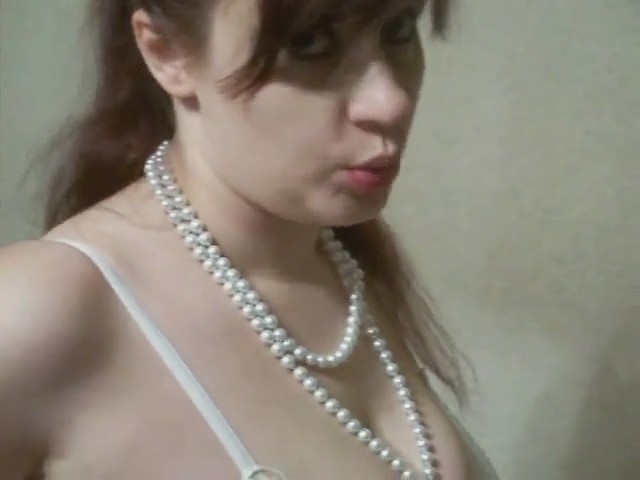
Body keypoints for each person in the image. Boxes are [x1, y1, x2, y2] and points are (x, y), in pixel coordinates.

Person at [0, 0, 498, 478]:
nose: (390, 102)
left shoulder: (347, 264)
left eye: (399, 29)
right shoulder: (42, 309)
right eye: (308, 43)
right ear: (166, 51)